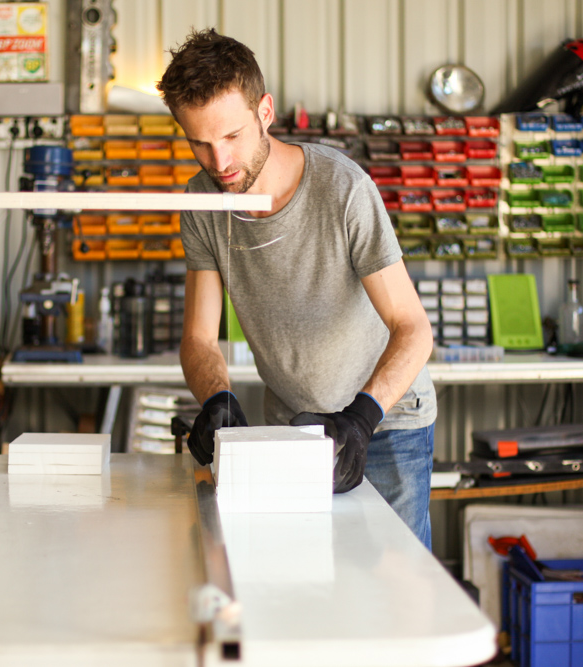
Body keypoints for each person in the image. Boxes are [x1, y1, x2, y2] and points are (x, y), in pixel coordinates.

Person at [157, 29, 437, 548]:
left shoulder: (343, 188)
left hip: (386, 423)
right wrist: (215, 397)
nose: (220, 163)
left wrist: (362, 417)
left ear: (265, 111)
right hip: (291, 427)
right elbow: (199, 338)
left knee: (398, 590)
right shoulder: (204, 202)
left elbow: (413, 328)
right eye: (200, 142)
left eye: (232, 136)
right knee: (304, 578)